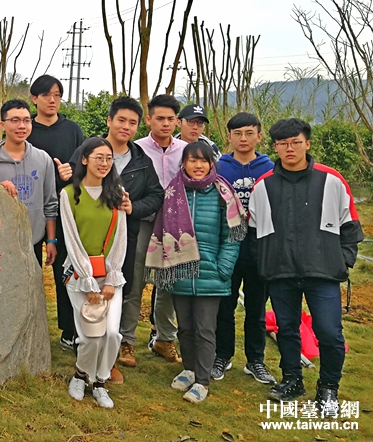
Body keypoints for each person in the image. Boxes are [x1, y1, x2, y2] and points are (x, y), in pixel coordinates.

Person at [248, 118, 362, 409]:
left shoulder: (331, 180)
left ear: (307, 144)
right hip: (279, 272)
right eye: (283, 143)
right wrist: (264, 265)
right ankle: (292, 380)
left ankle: (328, 388)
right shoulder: (263, 186)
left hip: (323, 273)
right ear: (274, 146)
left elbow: (350, 227)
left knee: (329, 332)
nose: (289, 149)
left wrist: (342, 261)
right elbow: (254, 232)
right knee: (286, 329)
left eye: (295, 142)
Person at [58, 97, 164, 383]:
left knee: (123, 288)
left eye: (133, 123)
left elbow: (156, 195)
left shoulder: (141, 160)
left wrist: (134, 209)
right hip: (85, 239)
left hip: (123, 238)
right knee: (84, 293)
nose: (126, 127)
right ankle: (84, 348)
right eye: (121, 120)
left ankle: (112, 356)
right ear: (109, 120)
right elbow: (70, 190)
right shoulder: (87, 150)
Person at [146, 141, 245, 403]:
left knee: (204, 329)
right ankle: (188, 370)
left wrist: (223, 267)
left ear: (211, 163)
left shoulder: (223, 193)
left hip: (211, 274)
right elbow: (164, 231)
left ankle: (202, 381)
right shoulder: (173, 192)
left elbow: (232, 236)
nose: (198, 165)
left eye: (203, 160)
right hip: (179, 273)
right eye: (192, 160)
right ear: (184, 163)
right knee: (186, 328)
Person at [62, 138, 129, 409]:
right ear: (85, 159)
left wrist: (111, 277)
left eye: (108, 158)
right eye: (98, 157)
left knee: (112, 334)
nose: (104, 163)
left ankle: (100, 382)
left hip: (110, 275)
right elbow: (72, 239)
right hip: (80, 276)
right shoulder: (69, 194)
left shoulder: (116, 193)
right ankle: (81, 374)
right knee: (91, 336)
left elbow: (120, 236)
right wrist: (88, 280)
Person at [212, 112, 276, 384]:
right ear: (229, 137)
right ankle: (222, 355)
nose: (243, 138)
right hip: (227, 241)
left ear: (259, 136)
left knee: (256, 305)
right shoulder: (220, 167)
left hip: (259, 242)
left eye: (249, 133)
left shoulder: (270, 167)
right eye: (237, 133)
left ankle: (255, 360)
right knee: (224, 303)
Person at [26, 75, 84, 351]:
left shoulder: (72, 130)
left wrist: (71, 174)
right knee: (28, 270)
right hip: (30, 208)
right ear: (34, 98)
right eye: (46, 94)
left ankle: (69, 329)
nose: (52, 100)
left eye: (57, 94)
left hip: (65, 209)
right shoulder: (27, 129)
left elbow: (84, 166)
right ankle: (28, 327)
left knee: (65, 269)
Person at [133, 94, 187, 364]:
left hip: (175, 228)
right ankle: (126, 340)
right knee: (136, 280)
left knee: (169, 285)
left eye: (170, 119)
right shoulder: (136, 149)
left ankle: (165, 339)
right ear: (149, 119)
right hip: (143, 222)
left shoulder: (186, 150)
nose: (166, 124)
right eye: (160, 118)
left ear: (177, 120)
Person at [0, 99, 58, 267]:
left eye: (27, 120)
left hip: (33, 242)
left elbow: (50, 203)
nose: (22, 126)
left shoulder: (43, 159)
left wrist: (51, 240)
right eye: (15, 120)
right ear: (2, 125)